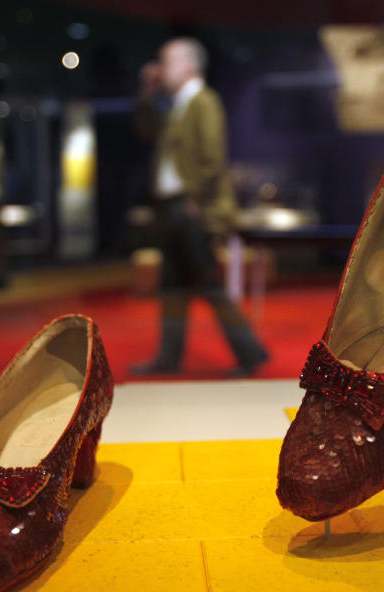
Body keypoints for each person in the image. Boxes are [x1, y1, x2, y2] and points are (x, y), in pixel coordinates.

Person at [132, 37, 269, 377]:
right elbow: (146, 131)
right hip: (174, 208)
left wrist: (194, 200)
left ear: (188, 64)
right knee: (174, 286)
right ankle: (170, 357)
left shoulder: (202, 101)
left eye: (167, 62)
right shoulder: (178, 104)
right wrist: (148, 94)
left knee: (208, 285)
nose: (162, 69)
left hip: (191, 210)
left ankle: (250, 353)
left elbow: (212, 160)